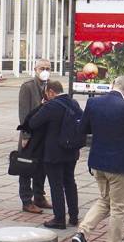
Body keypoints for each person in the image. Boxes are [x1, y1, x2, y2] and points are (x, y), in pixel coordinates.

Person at [72, 75, 124, 242]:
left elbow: (83, 130)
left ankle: (82, 232)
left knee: (104, 200)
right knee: (118, 208)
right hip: (119, 164)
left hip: (97, 161)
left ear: (113, 84)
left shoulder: (93, 103)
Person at [28, 81, 81, 229]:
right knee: (70, 182)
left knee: (56, 185)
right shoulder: (74, 103)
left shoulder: (51, 106)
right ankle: (74, 216)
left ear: (51, 92)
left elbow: (33, 123)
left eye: (46, 93)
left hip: (54, 152)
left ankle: (59, 219)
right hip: (71, 150)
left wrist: (42, 105)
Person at [16, 59, 52, 214]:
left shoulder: (51, 86)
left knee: (42, 167)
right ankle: (26, 200)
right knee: (26, 167)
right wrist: (25, 135)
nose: (45, 70)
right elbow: (23, 113)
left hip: (45, 135)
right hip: (30, 135)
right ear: (35, 69)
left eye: (48, 68)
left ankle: (39, 196)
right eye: (42, 68)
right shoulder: (28, 87)